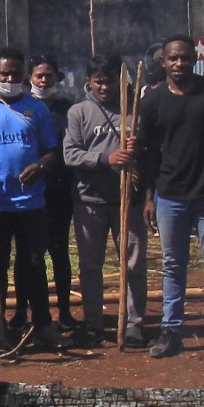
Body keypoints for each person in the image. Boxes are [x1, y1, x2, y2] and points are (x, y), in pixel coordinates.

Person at [133, 34, 204, 363]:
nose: (179, 63)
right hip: (169, 196)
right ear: (164, 62)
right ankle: (171, 332)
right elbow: (147, 153)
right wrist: (150, 197)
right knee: (173, 266)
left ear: (194, 60)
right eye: (173, 58)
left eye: (185, 58)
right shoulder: (153, 101)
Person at [0, 48, 61, 353]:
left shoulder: (37, 109)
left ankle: (42, 324)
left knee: (33, 264)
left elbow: (52, 151)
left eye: (16, 74)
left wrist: (41, 167)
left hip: (31, 204)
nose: (10, 79)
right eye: (4, 74)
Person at [62, 55, 147, 347]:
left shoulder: (135, 112)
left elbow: (152, 153)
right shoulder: (79, 112)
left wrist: (138, 148)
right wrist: (105, 159)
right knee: (90, 266)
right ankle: (94, 324)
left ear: (121, 81)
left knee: (133, 265)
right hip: (89, 201)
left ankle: (134, 323)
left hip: (128, 200)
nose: (104, 87)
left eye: (110, 81)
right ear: (89, 82)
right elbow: (70, 154)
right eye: (99, 81)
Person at [30, 56, 79, 333]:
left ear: (57, 77)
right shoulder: (22, 106)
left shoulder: (67, 109)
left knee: (59, 252)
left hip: (60, 191)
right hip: (30, 192)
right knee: (30, 255)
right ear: (30, 78)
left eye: (49, 75)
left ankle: (64, 311)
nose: (44, 80)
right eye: (39, 75)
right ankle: (26, 312)